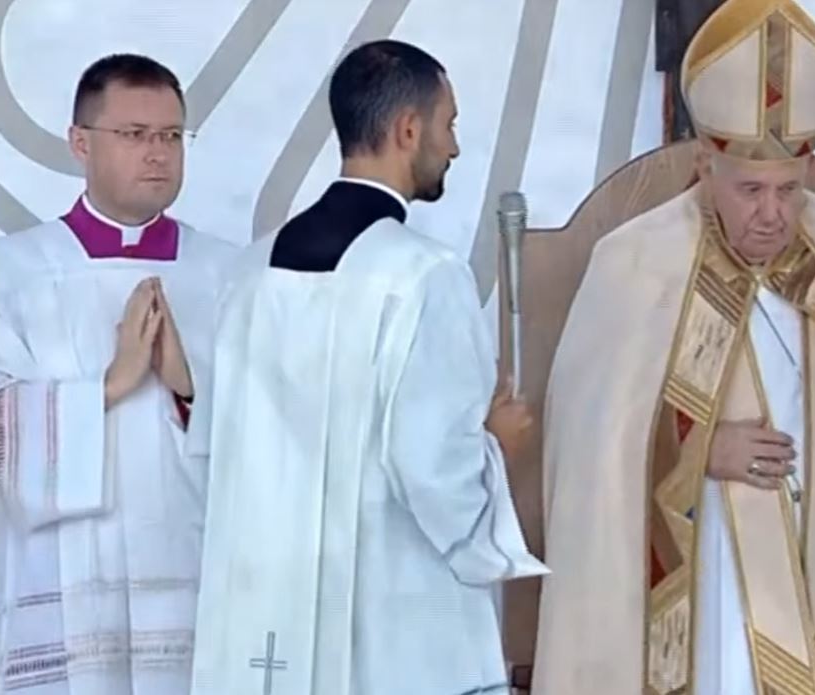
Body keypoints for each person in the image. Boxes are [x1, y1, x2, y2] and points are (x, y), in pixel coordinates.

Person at [532, 1, 815, 692]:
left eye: (789, 190)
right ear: (706, 166)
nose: (771, 214)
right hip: (711, 578)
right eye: (750, 189)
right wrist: (694, 448)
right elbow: (584, 447)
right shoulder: (635, 263)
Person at [186, 39, 546, 695]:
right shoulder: (424, 276)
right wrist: (497, 446)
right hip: (390, 627)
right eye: (448, 124)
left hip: (262, 609)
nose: (454, 146)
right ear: (409, 130)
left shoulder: (248, 272)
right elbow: (433, 471)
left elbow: (212, 448)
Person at [0, 54, 235, 694]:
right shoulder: (8, 274)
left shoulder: (231, 274)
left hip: (191, 569)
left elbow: (279, 431)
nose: (157, 154)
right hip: (59, 579)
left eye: (171, 136)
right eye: (133, 134)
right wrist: (108, 387)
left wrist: (189, 387)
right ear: (80, 143)